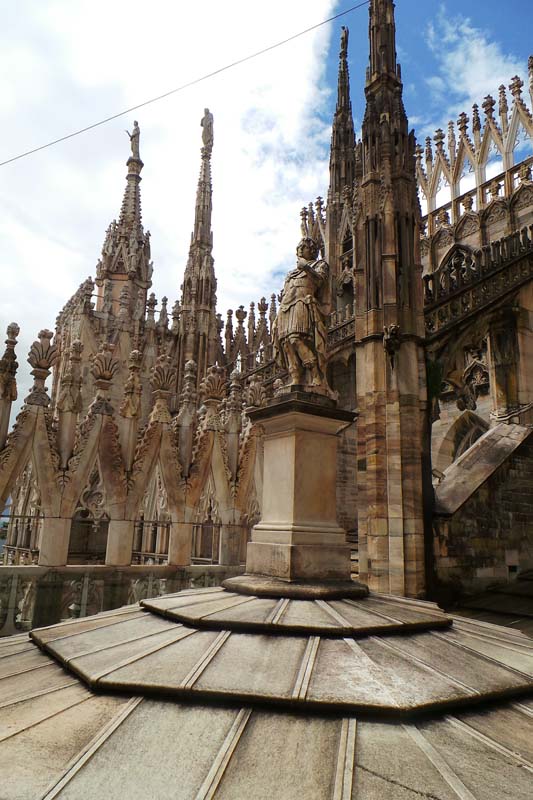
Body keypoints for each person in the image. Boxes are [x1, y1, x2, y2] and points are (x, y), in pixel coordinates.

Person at [272, 237, 333, 394]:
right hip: (286, 307)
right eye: (298, 247)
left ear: (312, 250)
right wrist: (277, 318)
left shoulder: (319, 265)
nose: (299, 250)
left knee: (296, 338)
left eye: (303, 247)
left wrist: (307, 268)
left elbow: (320, 281)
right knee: (286, 343)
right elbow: (285, 293)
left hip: (302, 303)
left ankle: (315, 376)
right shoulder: (291, 274)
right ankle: (295, 378)